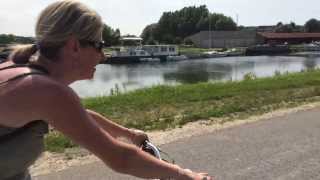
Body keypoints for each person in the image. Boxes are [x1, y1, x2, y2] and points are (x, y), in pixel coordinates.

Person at [0, 1, 213, 180]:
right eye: (100, 46)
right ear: (74, 46)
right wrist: (184, 175)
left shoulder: (19, 69)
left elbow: (78, 115)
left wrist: (128, 134)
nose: (103, 56)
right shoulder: (45, 90)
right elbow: (121, 159)